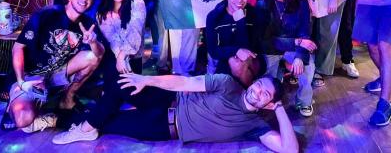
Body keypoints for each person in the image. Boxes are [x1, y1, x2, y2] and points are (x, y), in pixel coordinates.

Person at [53, 71, 298, 153]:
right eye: (259, 85)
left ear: (268, 103)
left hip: (165, 127)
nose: (257, 91)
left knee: (107, 122)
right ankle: (85, 128)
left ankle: (57, 119)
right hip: (169, 98)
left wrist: (278, 109)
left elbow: (290, 149)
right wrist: (145, 80)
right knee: (121, 81)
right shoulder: (227, 83)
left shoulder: (255, 126)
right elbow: (183, 83)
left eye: (265, 94)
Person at [8, 0, 105, 133]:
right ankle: (47, 116)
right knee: (23, 119)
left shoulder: (87, 24)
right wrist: (21, 81)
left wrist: (93, 42)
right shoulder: (47, 14)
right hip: (30, 78)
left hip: (56, 74)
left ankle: (66, 100)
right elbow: (18, 48)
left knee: (92, 56)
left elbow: (99, 54)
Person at [256, 0, 316, 117]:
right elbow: (265, 40)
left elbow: (304, 31)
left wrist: (299, 56)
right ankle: (267, 101)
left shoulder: (301, 2)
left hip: (294, 48)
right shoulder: (262, 4)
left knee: (308, 67)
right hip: (271, 49)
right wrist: (296, 42)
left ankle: (304, 100)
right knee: (269, 78)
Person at [205, 0, 260, 74]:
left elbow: (249, 48)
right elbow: (213, 51)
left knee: (241, 64)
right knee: (233, 64)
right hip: (223, 62)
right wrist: (236, 50)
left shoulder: (253, 14)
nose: (239, 0)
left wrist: (240, 21)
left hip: (248, 61)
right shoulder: (214, 17)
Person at [96, 0, 146, 76]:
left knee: (131, 89)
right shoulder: (102, 13)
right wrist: (120, 60)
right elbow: (112, 39)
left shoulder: (137, 3)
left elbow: (135, 32)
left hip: (134, 57)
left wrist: (122, 57)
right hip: (114, 56)